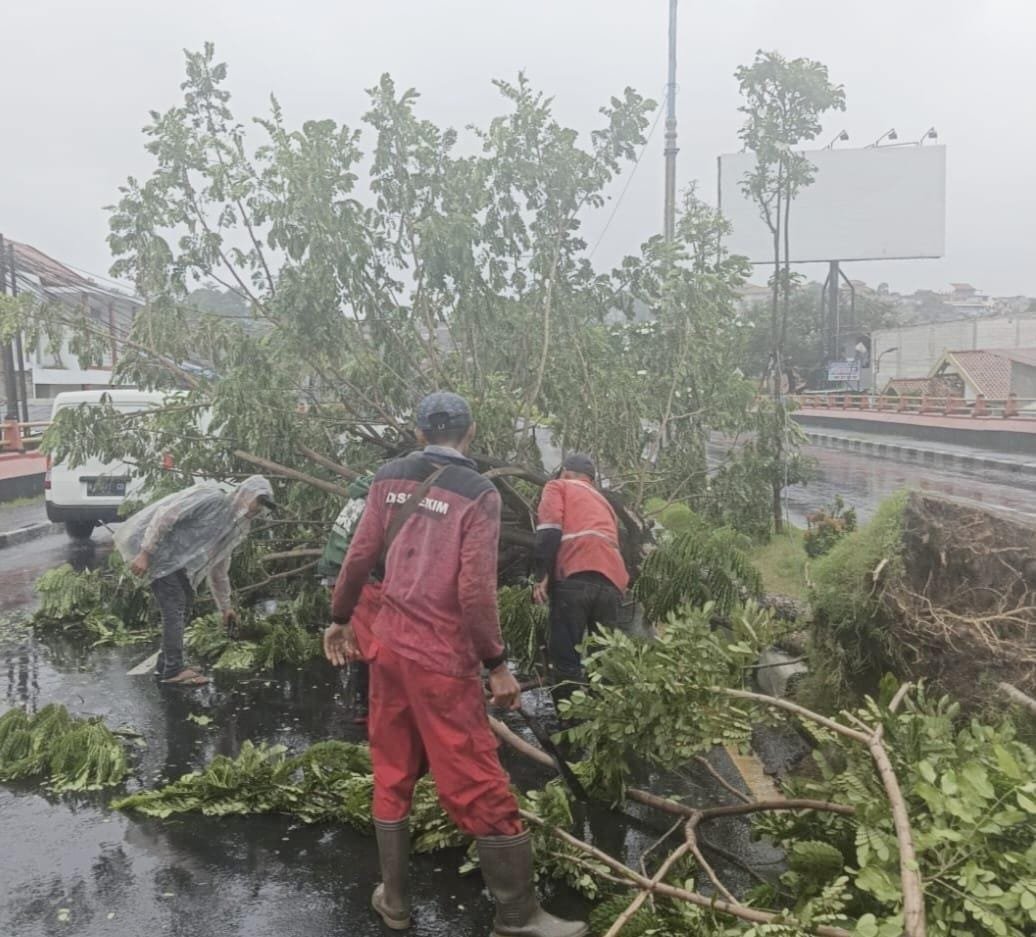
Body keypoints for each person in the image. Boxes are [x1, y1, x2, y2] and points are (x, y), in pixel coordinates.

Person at [325, 392, 586, 937]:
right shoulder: (477, 491)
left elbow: (357, 556)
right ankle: (518, 916)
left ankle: (393, 901)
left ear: (419, 434)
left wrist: (340, 616)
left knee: (392, 770)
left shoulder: (387, 477)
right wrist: (496, 664)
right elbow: (474, 593)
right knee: (476, 778)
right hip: (441, 659)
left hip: (389, 651)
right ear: (468, 434)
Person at [115, 475, 274, 686]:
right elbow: (167, 515)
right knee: (176, 605)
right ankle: (173, 670)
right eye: (258, 501)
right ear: (245, 493)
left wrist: (225, 608)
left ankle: (167, 662)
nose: (258, 509)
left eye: (263, 507)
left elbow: (219, 567)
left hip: (173, 563)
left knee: (185, 599)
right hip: (157, 551)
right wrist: (145, 553)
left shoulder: (233, 525)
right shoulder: (213, 500)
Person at [532, 453, 629, 712]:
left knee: (566, 661)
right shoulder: (604, 503)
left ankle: (570, 728)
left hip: (574, 575)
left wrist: (541, 576)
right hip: (612, 583)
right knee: (604, 660)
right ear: (591, 480)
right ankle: (604, 725)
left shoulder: (558, 486)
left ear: (565, 472)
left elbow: (549, 531)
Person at [317, 473, 375, 723]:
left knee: (360, 638)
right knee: (372, 642)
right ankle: (367, 706)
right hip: (353, 576)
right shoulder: (378, 499)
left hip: (336, 571)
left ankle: (362, 703)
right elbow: (364, 551)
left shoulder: (360, 497)